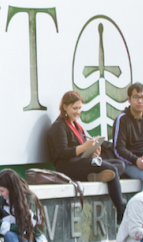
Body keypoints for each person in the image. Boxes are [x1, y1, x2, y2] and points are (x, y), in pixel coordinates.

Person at [47, 90, 128, 222]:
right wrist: (85, 147)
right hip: (67, 166)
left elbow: (81, 150)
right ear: (65, 106)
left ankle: (96, 177)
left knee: (120, 164)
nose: (78, 112)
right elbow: (62, 153)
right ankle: (120, 210)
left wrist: (93, 151)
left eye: (79, 108)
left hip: (81, 161)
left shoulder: (77, 125)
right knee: (112, 170)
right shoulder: (59, 126)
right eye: (74, 108)